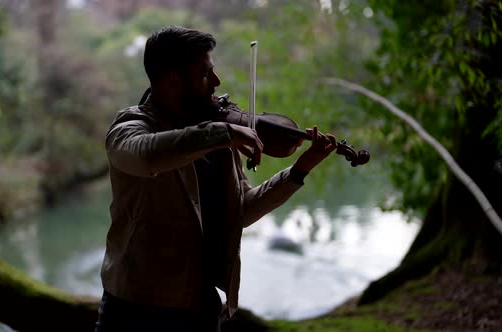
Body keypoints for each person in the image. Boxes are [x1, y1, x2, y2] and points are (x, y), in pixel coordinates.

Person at [95, 25, 337, 332]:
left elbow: (241, 211)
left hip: (199, 305)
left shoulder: (218, 135)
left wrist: (300, 169)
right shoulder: (131, 126)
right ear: (173, 81)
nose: (218, 82)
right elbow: (145, 156)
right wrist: (220, 134)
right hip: (135, 310)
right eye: (206, 74)